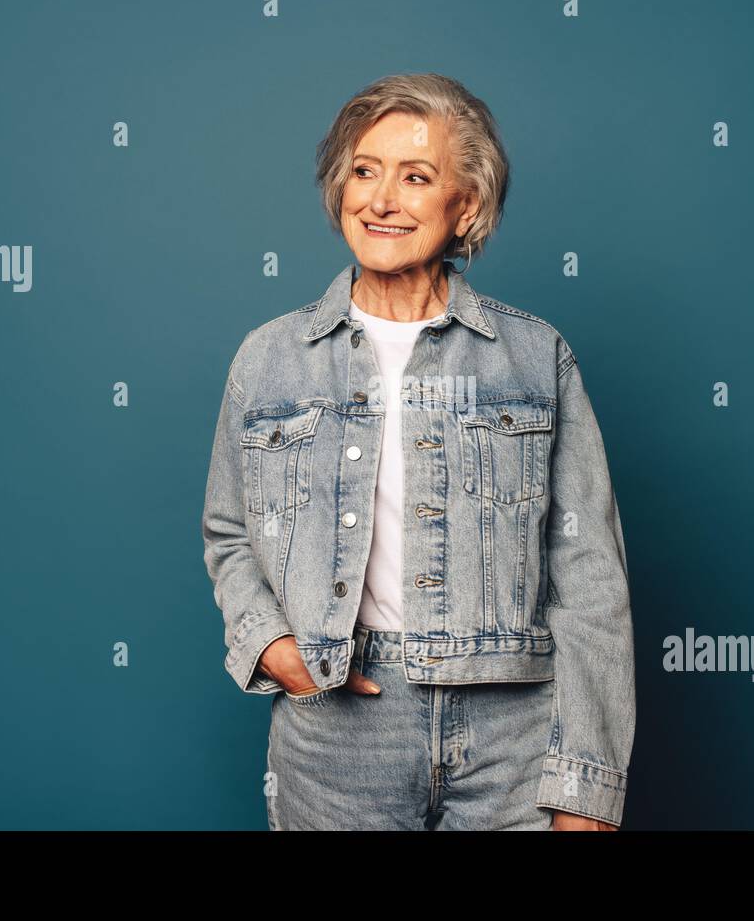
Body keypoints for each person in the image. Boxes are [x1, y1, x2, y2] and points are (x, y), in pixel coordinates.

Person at [202, 73, 635, 830]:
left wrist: (585, 786)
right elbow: (230, 532)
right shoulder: (268, 358)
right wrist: (268, 643)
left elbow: (590, 580)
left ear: (464, 205)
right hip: (338, 734)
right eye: (363, 171)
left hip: (514, 734)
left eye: (416, 176)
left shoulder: (535, 357)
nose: (380, 199)